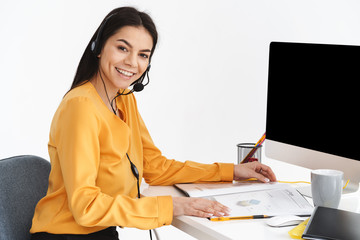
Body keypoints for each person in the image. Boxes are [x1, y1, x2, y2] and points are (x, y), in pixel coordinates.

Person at [30, 6, 277, 240]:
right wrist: (173, 206)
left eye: (143, 55)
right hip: (64, 235)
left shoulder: (123, 100)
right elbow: (86, 206)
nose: (132, 62)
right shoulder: (80, 107)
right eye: (122, 48)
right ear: (99, 46)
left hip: (101, 232)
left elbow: (155, 167)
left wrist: (231, 171)